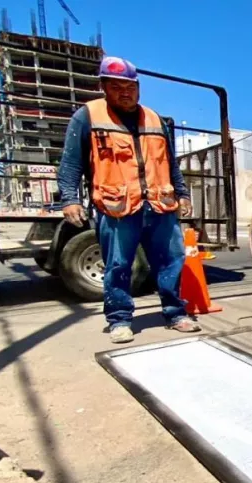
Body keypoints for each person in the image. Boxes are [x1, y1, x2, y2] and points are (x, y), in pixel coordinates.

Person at [57, 56, 200, 344]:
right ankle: (119, 319)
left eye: (131, 86)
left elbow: (170, 163)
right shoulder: (88, 117)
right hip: (117, 207)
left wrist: (182, 193)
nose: (125, 92)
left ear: (138, 87)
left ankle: (175, 312)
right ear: (104, 87)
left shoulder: (156, 119)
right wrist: (70, 199)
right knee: (119, 265)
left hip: (160, 204)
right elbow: (71, 164)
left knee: (171, 260)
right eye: (117, 86)